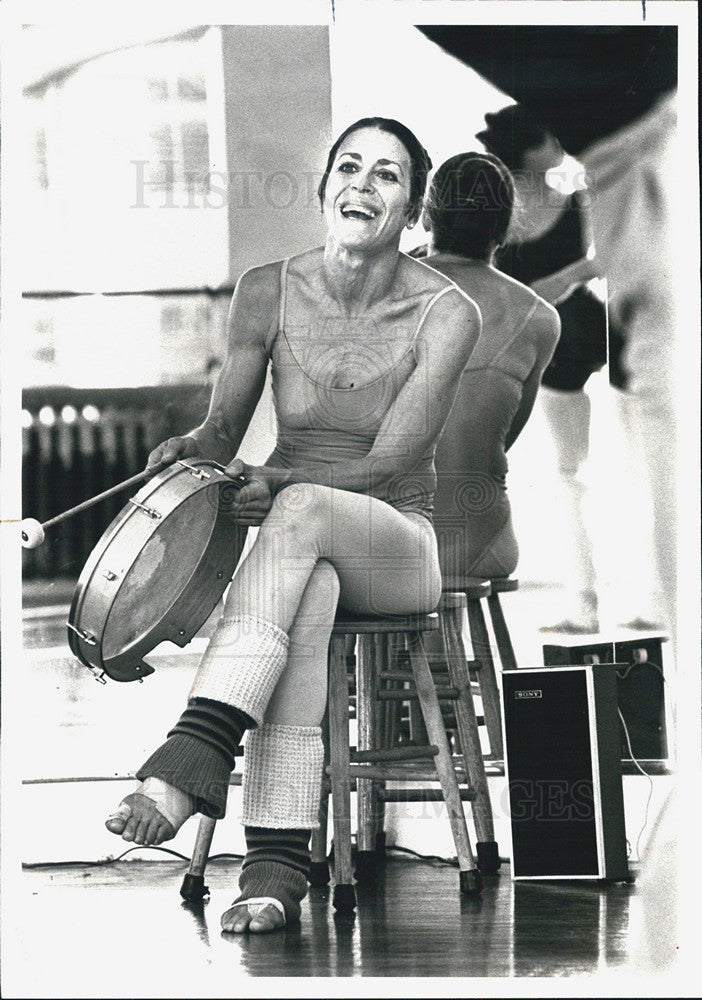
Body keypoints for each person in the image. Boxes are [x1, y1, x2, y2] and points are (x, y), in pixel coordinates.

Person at [103, 117, 481, 934]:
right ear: (323, 191)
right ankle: (275, 871)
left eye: (387, 175)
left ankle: (193, 752)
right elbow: (222, 431)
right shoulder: (266, 289)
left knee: (303, 513)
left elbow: (385, 466)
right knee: (303, 594)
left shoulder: (446, 313)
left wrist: (278, 483)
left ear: (413, 212)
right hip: (299, 538)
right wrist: (191, 447)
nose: (362, 185)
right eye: (349, 167)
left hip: (398, 542)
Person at [474, 103, 663, 633]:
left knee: (627, 468)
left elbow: (612, 253)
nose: (559, 139)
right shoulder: (497, 212)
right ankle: (584, 602)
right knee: (566, 476)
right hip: (552, 349)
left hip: (591, 336)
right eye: (546, 135)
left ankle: (647, 596)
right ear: (527, 149)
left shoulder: (576, 198)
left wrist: (561, 280)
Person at [417, 151, 560, 581]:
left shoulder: (382, 288)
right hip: (486, 542)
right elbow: (503, 433)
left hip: (393, 541)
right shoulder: (540, 317)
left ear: (427, 218)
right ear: (504, 231)